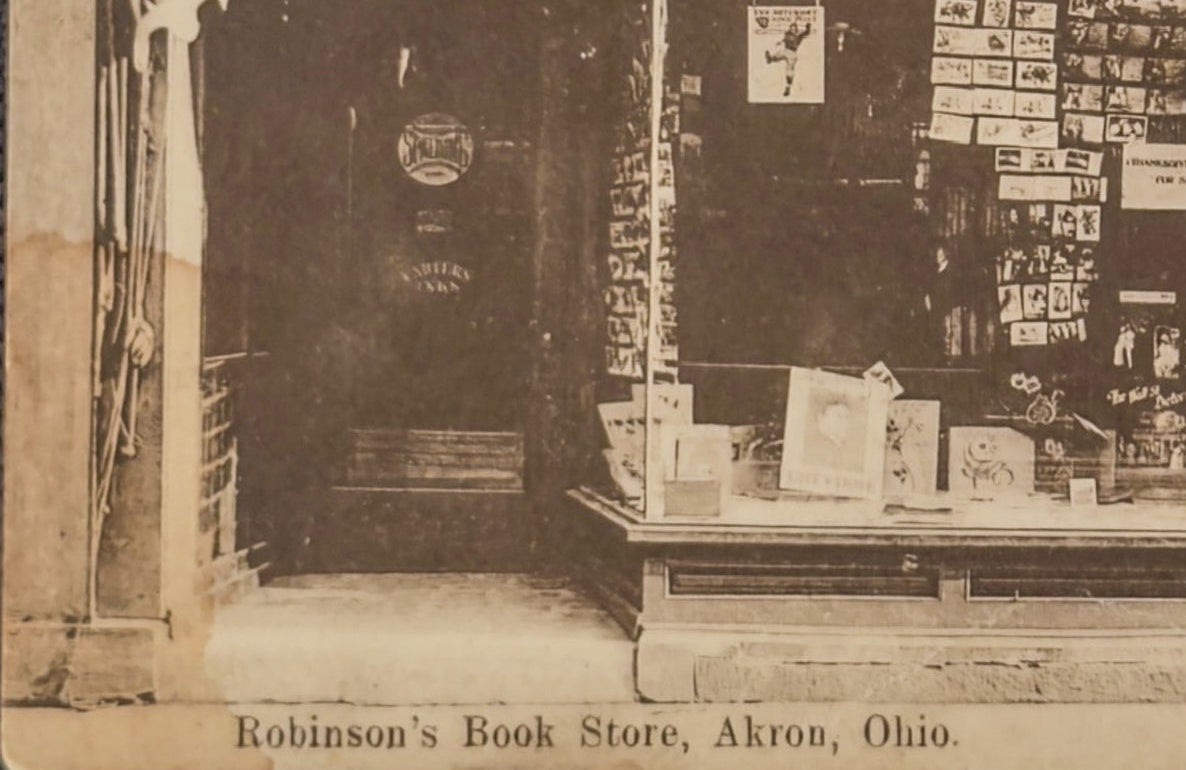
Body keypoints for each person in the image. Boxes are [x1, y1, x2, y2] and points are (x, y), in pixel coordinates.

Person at [766, 21, 813, 97]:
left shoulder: (798, 35)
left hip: (792, 53)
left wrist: (808, 27)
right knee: (779, 54)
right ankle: (770, 59)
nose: (793, 30)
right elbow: (784, 40)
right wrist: (779, 42)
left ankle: (788, 87)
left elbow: (806, 33)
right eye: (791, 28)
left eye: (794, 29)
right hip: (786, 50)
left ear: (796, 29)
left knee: (789, 70)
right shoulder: (788, 34)